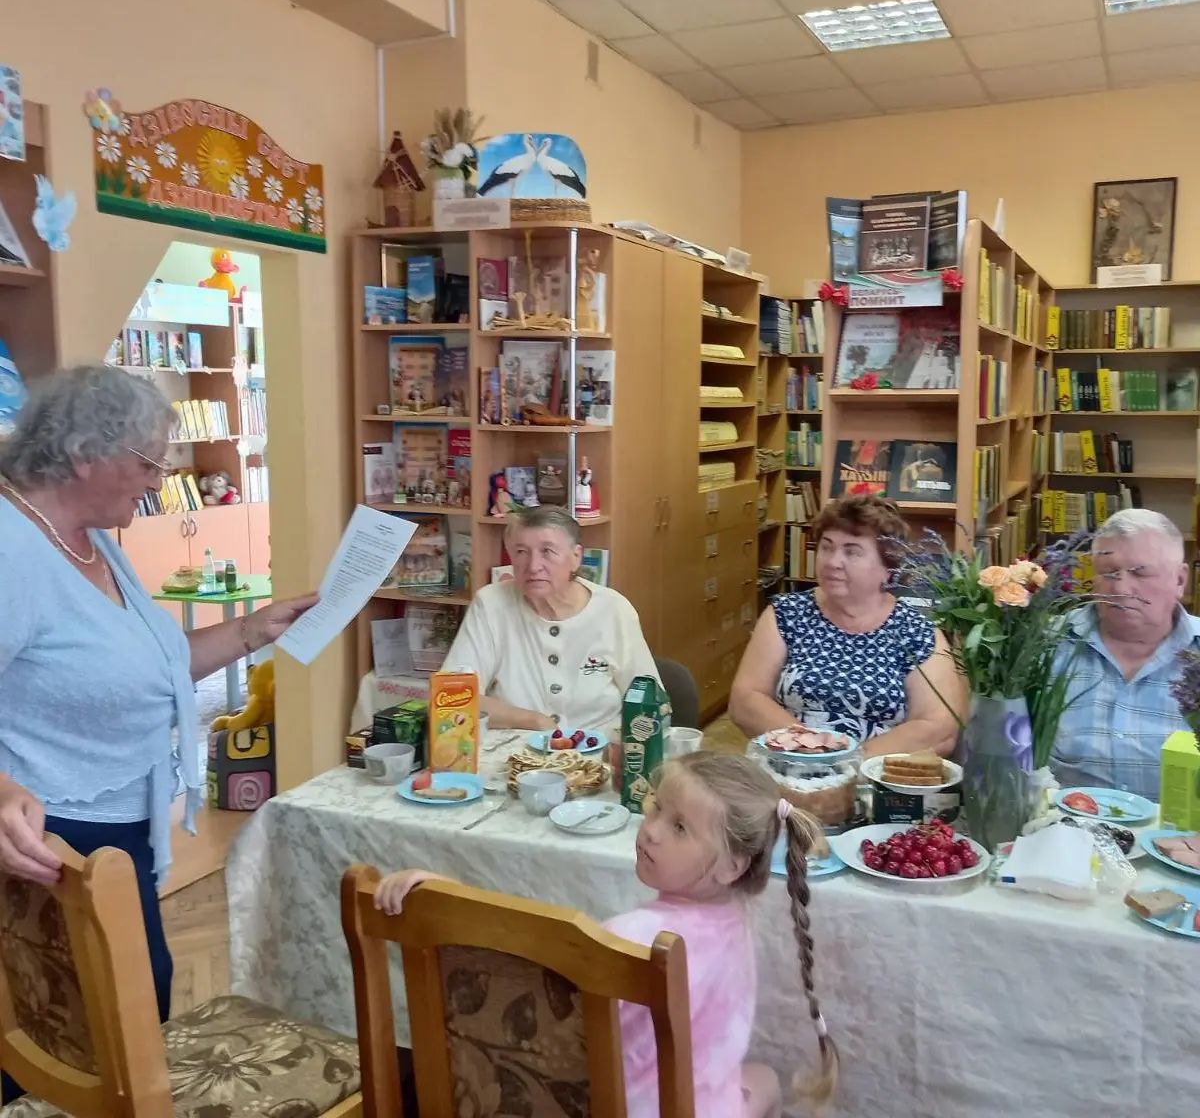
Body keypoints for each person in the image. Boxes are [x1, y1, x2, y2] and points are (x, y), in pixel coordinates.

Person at [0, 365, 316, 1024]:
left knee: (135, 997)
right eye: (147, 462)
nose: (159, 480)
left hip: (122, 821)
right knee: (86, 1020)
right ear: (85, 456)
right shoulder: (12, 547)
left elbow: (156, 667)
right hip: (51, 834)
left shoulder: (87, 542)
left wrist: (258, 627)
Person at [374, 751, 838, 1118]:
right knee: (765, 1081)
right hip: (689, 1099)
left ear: (732, 866)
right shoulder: (736, 914)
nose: (650, 832)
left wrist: (442, 895)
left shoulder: (634, 939)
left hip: (614, 1105)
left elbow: (515, 975)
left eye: (678, 827)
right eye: (656, 807)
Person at [730, 495, 964, 755]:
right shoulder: (786, 614)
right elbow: (745, 700)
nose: (832, 561)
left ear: (888, 568)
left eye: (852, 551)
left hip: (877, 775)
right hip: (791, 764)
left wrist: (851, 763)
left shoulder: (917, 631)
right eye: (827, 547)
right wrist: (811, 749)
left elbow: (938, 728)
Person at [444, 505, 658, 730]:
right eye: (521, 552)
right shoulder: (491, 604)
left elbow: (649, 703)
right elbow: (451, 696)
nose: (534, 566)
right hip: (514, 757)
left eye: (547, 551)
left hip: (598, 755)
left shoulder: (613, 610)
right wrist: (534, 721)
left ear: (576, 557)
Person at [1050, 508, 1200, 800]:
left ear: (1180, 580)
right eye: (1108, 573)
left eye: (1139, 573)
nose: (1120, 587)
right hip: (1062, 833)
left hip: (1181, 841)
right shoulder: (1044, 644)